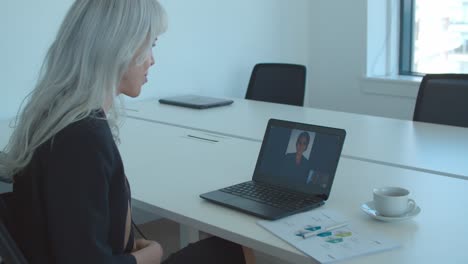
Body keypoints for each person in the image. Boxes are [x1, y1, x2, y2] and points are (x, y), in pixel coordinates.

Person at [0, 1, 255, 263]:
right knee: (235, 251)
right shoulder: (82, 138)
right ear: (120, 47)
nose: (152, 60)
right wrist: (148, 256)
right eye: (151, 45)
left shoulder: (54, 117)